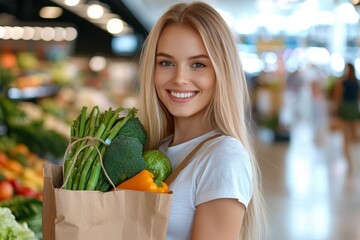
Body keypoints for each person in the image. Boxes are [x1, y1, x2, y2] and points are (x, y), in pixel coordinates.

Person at [137, 1, 266, 240]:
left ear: (221, 72)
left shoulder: (223, 158)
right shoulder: (160, 148)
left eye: (198, 64)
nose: (180, 79)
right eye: (166, 63)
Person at [333, 62, 360, 172]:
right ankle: (350, 160)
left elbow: (338, 96)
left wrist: (336, 109)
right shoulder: (356, 83)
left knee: (348, 136)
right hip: (352, 108)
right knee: (352, 135)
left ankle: (349, 160)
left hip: (347, 108)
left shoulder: (343, 83)